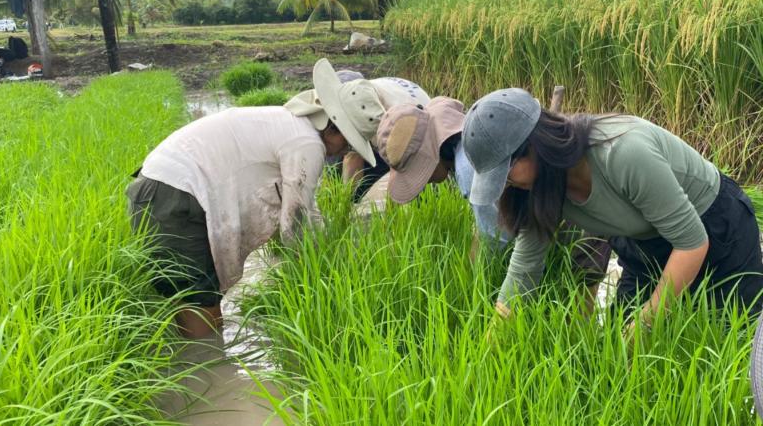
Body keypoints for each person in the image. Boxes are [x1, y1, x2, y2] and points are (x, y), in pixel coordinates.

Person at [462, 88, 763, 333]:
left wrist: (646, 322)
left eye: (506, 172)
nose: (506, 185)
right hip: (643, 244)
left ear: (534, 147)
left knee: (730, 339)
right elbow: (523, 273)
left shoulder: (622, 152)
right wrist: (488, 351)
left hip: (715, 228)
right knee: (619, 349)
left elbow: (692, 243)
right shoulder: (536, 188)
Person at [126, 72, 368, 339]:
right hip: (176, 194)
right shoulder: (306, 142)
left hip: (162, 188)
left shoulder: (288, 123)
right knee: (199, 302)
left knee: (189, 296)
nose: (344, 151)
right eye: (347, 141)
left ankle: (197, 365)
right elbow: (296, 227)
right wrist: (322, 280)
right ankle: (209, 371)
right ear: (333, 126)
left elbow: (305, 207)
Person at [375, 96, 610, 284]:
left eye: (416, 170)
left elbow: (497, 240)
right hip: (572, 214)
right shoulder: (472, 143)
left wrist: (472, 282)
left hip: (579, 234)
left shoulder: (469, 170)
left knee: (579, 317)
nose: (423, 183)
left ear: (430, 153)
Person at [286, 58, 431, 202]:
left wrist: (345, 206)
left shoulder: (389, 126)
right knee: (335, 166)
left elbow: (354, 158)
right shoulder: (355, 95)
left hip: (417, 127)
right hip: (393, 94)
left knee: (404, 188)